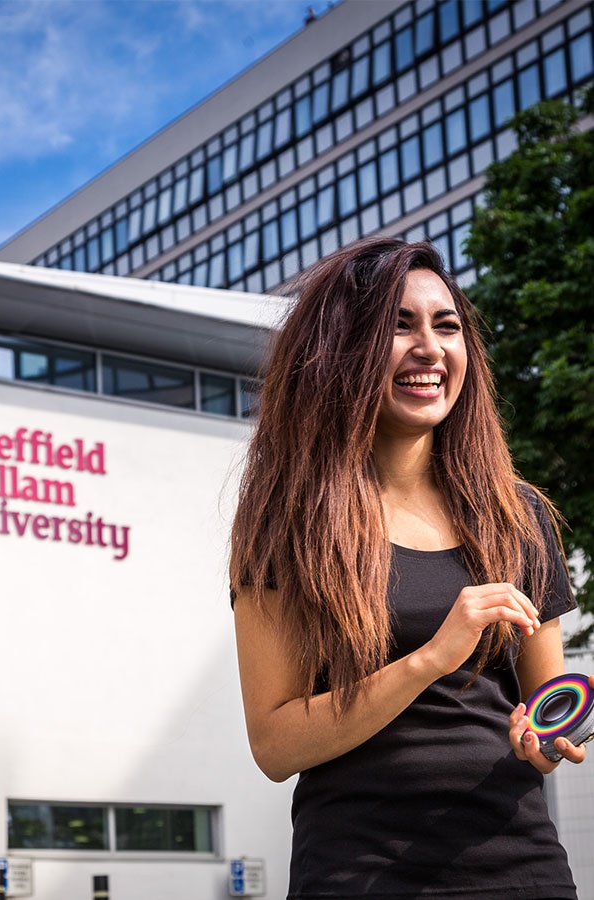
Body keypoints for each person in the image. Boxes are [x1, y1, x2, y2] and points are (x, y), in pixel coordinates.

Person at [229, 237, 591, 900]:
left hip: (521, 872)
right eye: (400, 326)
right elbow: (275, 747)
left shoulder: (518, 513)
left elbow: (546, 718)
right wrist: (430, 658)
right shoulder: (286, 522)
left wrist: (548, 737)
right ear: (342, 348)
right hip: (356, 876)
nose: (430, 348)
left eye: (446, 326)